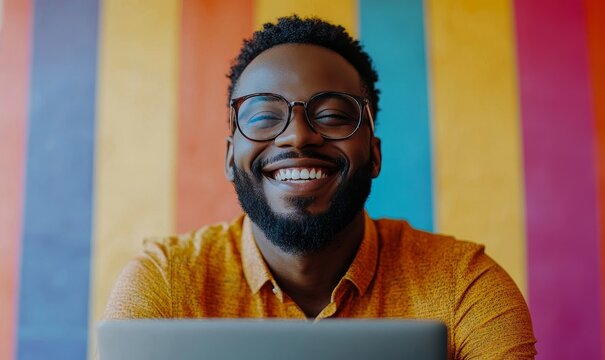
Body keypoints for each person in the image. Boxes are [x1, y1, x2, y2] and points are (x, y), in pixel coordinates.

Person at [104, 15, 537, 359]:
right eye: (263, 117)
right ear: (229, 159)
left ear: (375, 154)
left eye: (332, 116)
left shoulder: (464, 287)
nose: (297, 136)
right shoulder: (164, 286)